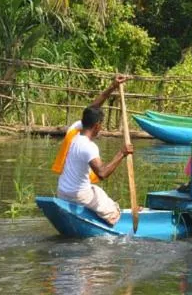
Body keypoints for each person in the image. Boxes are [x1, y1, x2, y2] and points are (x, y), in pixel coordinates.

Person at [55, 76, 134, 226]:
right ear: (97, 126)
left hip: (62, 190)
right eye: (101, 125)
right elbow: (102, 173)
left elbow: (92, 109)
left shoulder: (74, 131)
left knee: (99, 193)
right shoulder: (89, 146)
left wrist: (113, 86)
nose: (101, 128)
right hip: (78, 194)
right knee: (114, 212)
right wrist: (121, 153)